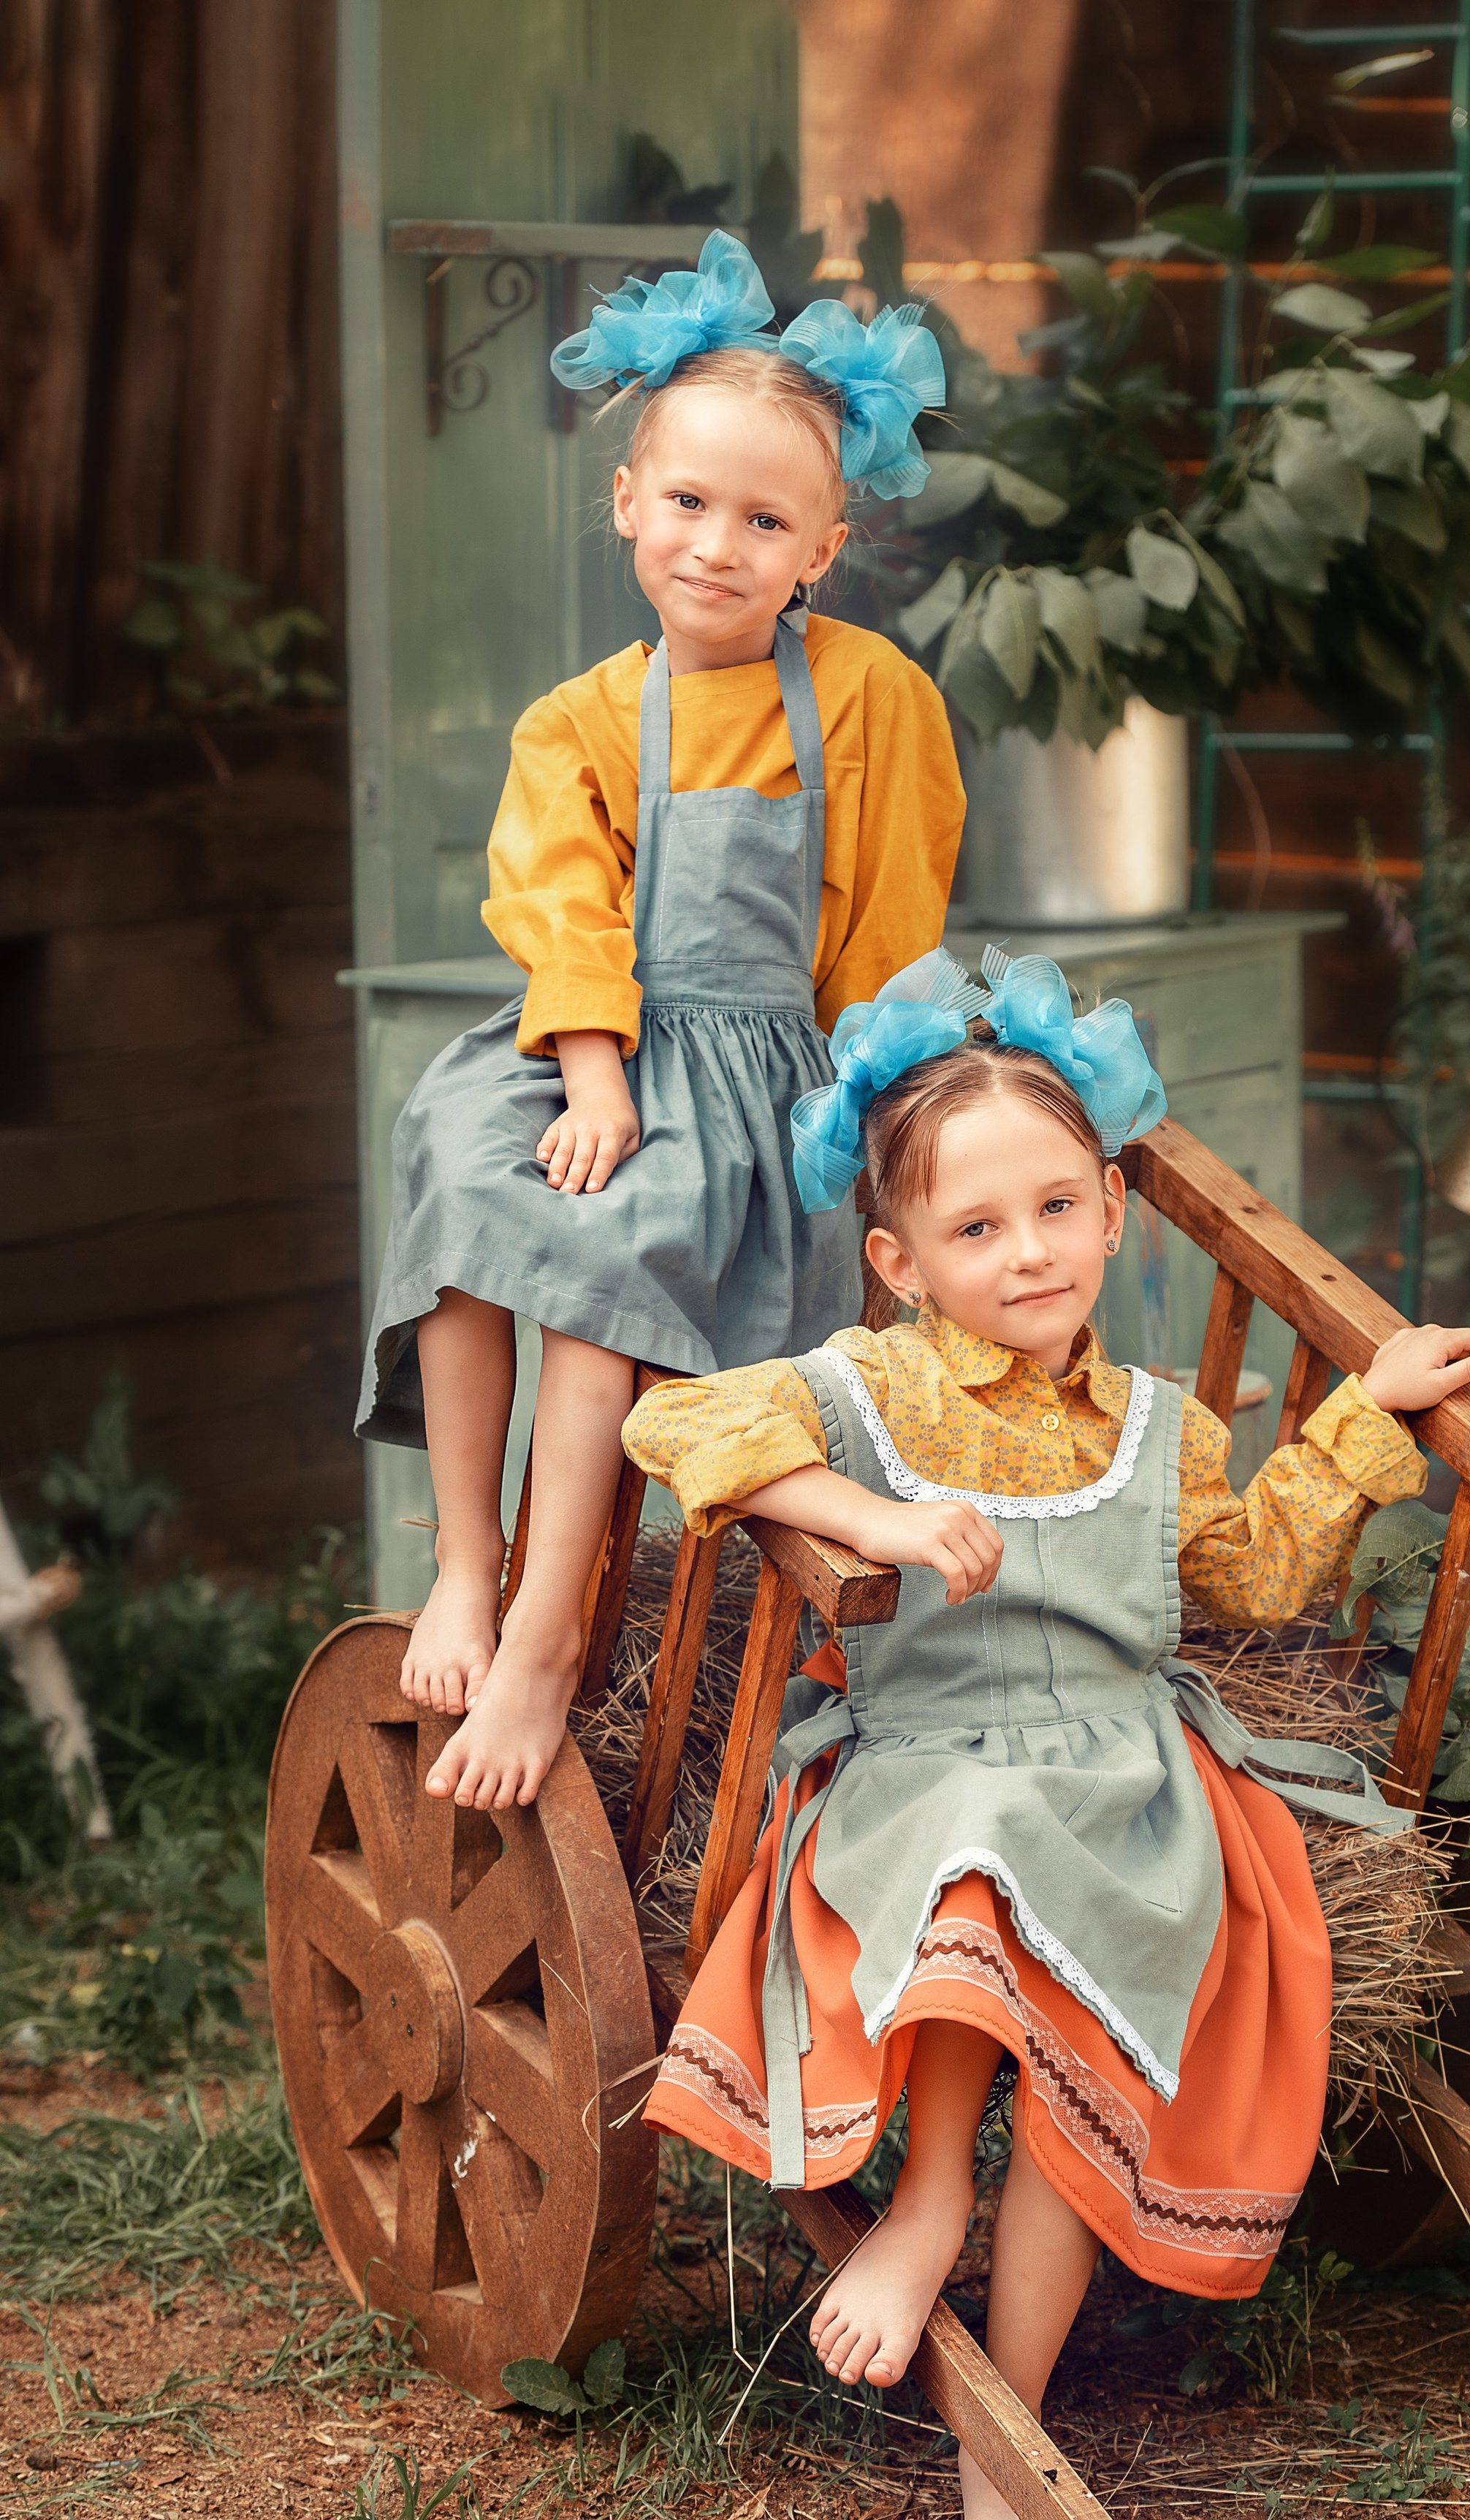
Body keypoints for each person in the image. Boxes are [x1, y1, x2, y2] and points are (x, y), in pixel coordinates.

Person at [624, 948, 1470, 2520]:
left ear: (1109, 1208)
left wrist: (1361, 1416)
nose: (1022, 1250)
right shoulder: (870, 1388)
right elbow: (672, 1429)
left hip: (1128, 1790)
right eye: (972, 1228)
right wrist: (870, 1517)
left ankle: (1001, 2437)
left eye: (1050, 1208)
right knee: (974, 1843)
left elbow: (1247, 1575)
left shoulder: (1158, 1425)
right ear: (896, 1262)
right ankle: (922, 2200)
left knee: (1079, 2076)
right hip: (925, 1772)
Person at [354, 235, 961, 1813]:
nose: (717, 545)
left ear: (822, 549)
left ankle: (553, 1635)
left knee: (607, 1250)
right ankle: (471, 1565)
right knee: (466, 1167)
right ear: (628, 500)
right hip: (595, 1049)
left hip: (771, 1075)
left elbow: (888, 933)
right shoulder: (574, 721)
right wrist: (596, 1071)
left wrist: (877, 1129)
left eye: (766, 520)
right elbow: (560, 914)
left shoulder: (869, 698)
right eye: (687, 503)